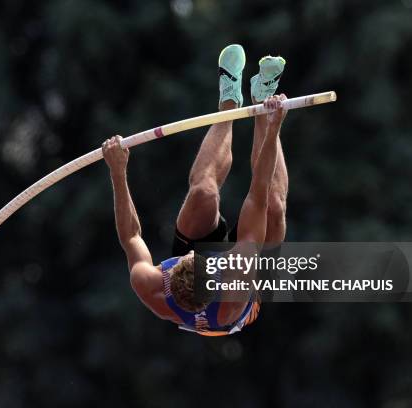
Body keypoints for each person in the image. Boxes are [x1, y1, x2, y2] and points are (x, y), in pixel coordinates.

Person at [102, 44, 289, 336]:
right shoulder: (238, 277)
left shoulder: (150, 285)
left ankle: (229, 101)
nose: (197, 252)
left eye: (190, 255)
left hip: (198, 288)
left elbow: (130, 236)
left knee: (203, 193)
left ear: (171, 273)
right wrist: (273, 125)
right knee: (275, 208)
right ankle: (263, 97)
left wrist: (117, 172)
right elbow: (258, 191)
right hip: (240, 304)